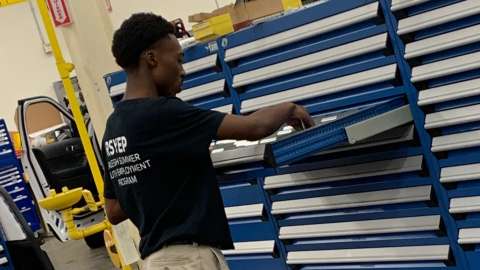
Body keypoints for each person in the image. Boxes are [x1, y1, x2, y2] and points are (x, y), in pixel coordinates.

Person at [103, 13, 314, 270]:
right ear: (151, 58)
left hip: (155, 262)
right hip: (188, 260)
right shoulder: (165, 113)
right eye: (178, 60)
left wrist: (156, 178)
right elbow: (253, 127)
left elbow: (113, 210)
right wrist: (290, 109)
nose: (182, 70)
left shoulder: (114, 128)